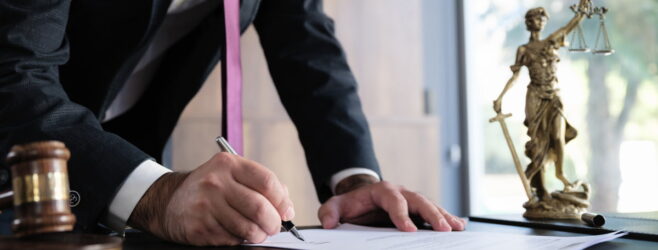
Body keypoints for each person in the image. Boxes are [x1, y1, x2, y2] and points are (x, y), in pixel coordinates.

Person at [0, 0, 465, 246]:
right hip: (21, 150)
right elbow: (13, 71)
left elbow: (308, 49)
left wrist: (355, 180)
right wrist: (155, 195)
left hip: (129, 156)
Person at [493, 0, 590, 204]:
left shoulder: (552, 42)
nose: (537, 21)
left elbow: (567, 28)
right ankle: (539, 187)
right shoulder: (523, 49)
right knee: (538, 144)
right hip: (535, 97)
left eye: (541, 18)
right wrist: (501, 96)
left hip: (554, 96)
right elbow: (515, 76)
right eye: (533, 19)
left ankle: (561, 174)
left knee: (558, 136)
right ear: (528, 23)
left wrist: (581, 13)